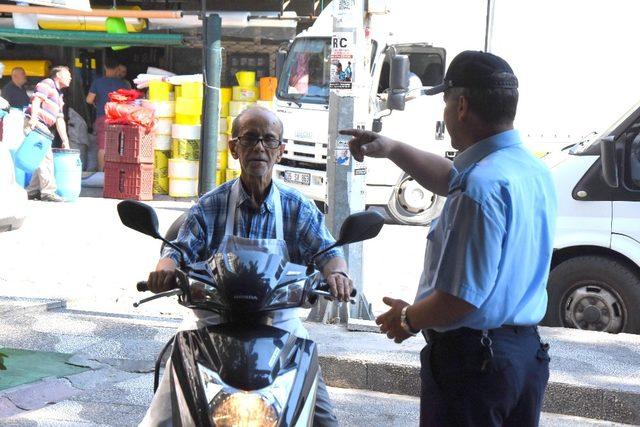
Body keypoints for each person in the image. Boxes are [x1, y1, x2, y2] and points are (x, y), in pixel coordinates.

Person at [341, 51, 557, 426]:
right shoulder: (531, 170)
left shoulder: (481, 187)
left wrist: (407, 319)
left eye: (445, 101)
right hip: (523, 357)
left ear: (462, 106)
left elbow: (461, 298)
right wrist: (391, 148)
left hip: (475, 365)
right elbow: (450, 175)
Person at [140, 106, 352, 426]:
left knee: (323, 418)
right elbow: (178, 251)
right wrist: (164, 270)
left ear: (281, 151)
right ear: (234, 148)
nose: (259, 148)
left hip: (280, 326)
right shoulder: (210, 204)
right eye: (250, 138)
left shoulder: (298, 207)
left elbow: (327, 252)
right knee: (162, 417)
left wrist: (338, 274)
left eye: (269, 140)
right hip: (211, 323)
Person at [24, 66, 73, 202]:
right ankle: (48, 192)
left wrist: (65, 140)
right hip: (37, 122)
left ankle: (32, 190)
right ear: (58, 75)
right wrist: (33, 119)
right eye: (67, 74)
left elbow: (59, 119)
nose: (70, 77)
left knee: (40, 157)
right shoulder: (47, 84)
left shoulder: (59, 94)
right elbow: (36, 100)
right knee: (46, 157)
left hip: (43, 125)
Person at [86, 57, 130, 171]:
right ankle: (116, 171)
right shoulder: (124, 84)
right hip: (119, 118)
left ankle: (102, 172)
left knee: (102, 146)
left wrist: (98, 103)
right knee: (118, 144)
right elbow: (129, 103)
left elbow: (89, 100)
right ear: (117, 69)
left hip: (103, 117)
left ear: (105, 67)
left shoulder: (97, 82)